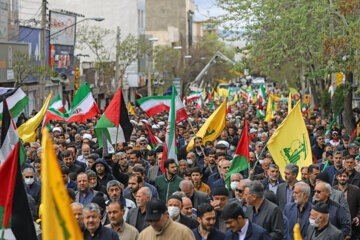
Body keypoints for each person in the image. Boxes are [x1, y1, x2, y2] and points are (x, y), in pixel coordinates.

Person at [333, 169, 360, 239]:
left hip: (352, 226)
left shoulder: (356, 190)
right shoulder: (332, 191)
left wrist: (358, 217)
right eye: (340, 176)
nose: (342, 178)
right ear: (337, 177)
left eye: (344, 176)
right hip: (336, 226)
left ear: (348, 178)